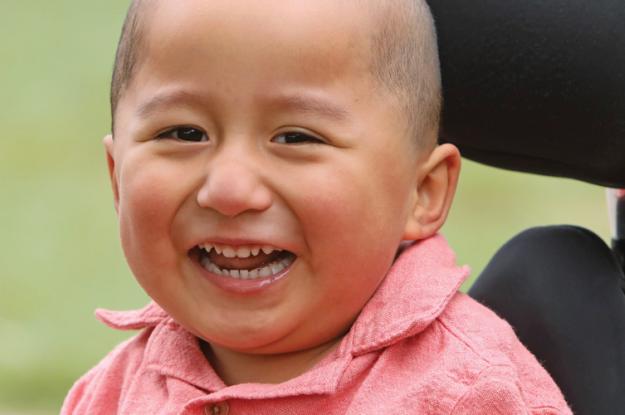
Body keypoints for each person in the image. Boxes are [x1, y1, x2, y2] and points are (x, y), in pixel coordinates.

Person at [62, 0, 571, 413]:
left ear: (423, 192)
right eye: (184, 133)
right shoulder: (110, 395)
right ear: (118, 179)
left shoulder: (470, 394)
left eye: (295, 137)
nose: (229, 189)